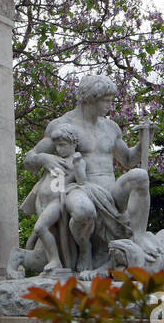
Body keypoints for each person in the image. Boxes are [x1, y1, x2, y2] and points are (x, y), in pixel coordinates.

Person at [23, 75, 150, 273]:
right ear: (92, 98)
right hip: (79, 186)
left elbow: (127, 159)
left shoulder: (110, 127)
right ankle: (85, 249)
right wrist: (44, 159)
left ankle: (138, 237)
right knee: (83, 211)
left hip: (110, 188)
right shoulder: (63, 125)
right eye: (106, 101)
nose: (110, 105)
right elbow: (29, 159)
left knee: (140, 176)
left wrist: (143, 143)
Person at [20, 123, 87, 272]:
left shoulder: (76, 160)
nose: (59, 149)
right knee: (33, 238)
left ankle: (55, 260)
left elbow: (82, 181)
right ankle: (47, 260)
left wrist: (77, 164)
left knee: (40, 227)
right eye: (56, 146)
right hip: (43, 202)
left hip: (57, 202)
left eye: (62, 145)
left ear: (74, 143)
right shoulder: (53, 159)